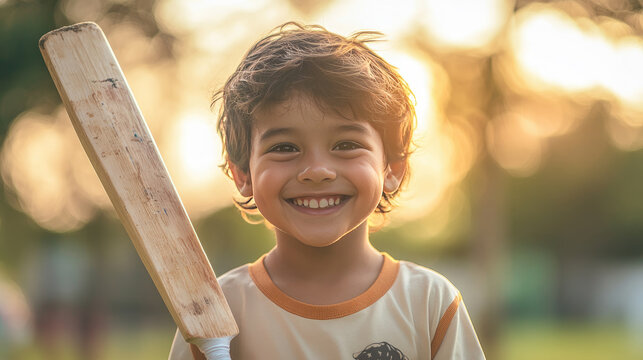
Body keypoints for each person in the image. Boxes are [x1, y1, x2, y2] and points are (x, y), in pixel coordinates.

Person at [169, 22, 485, 360]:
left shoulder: (429, 303)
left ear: (392, 169)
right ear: (242, 173)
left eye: (346, 144)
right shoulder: (215, 312)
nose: (317, 171)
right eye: (285, 147)